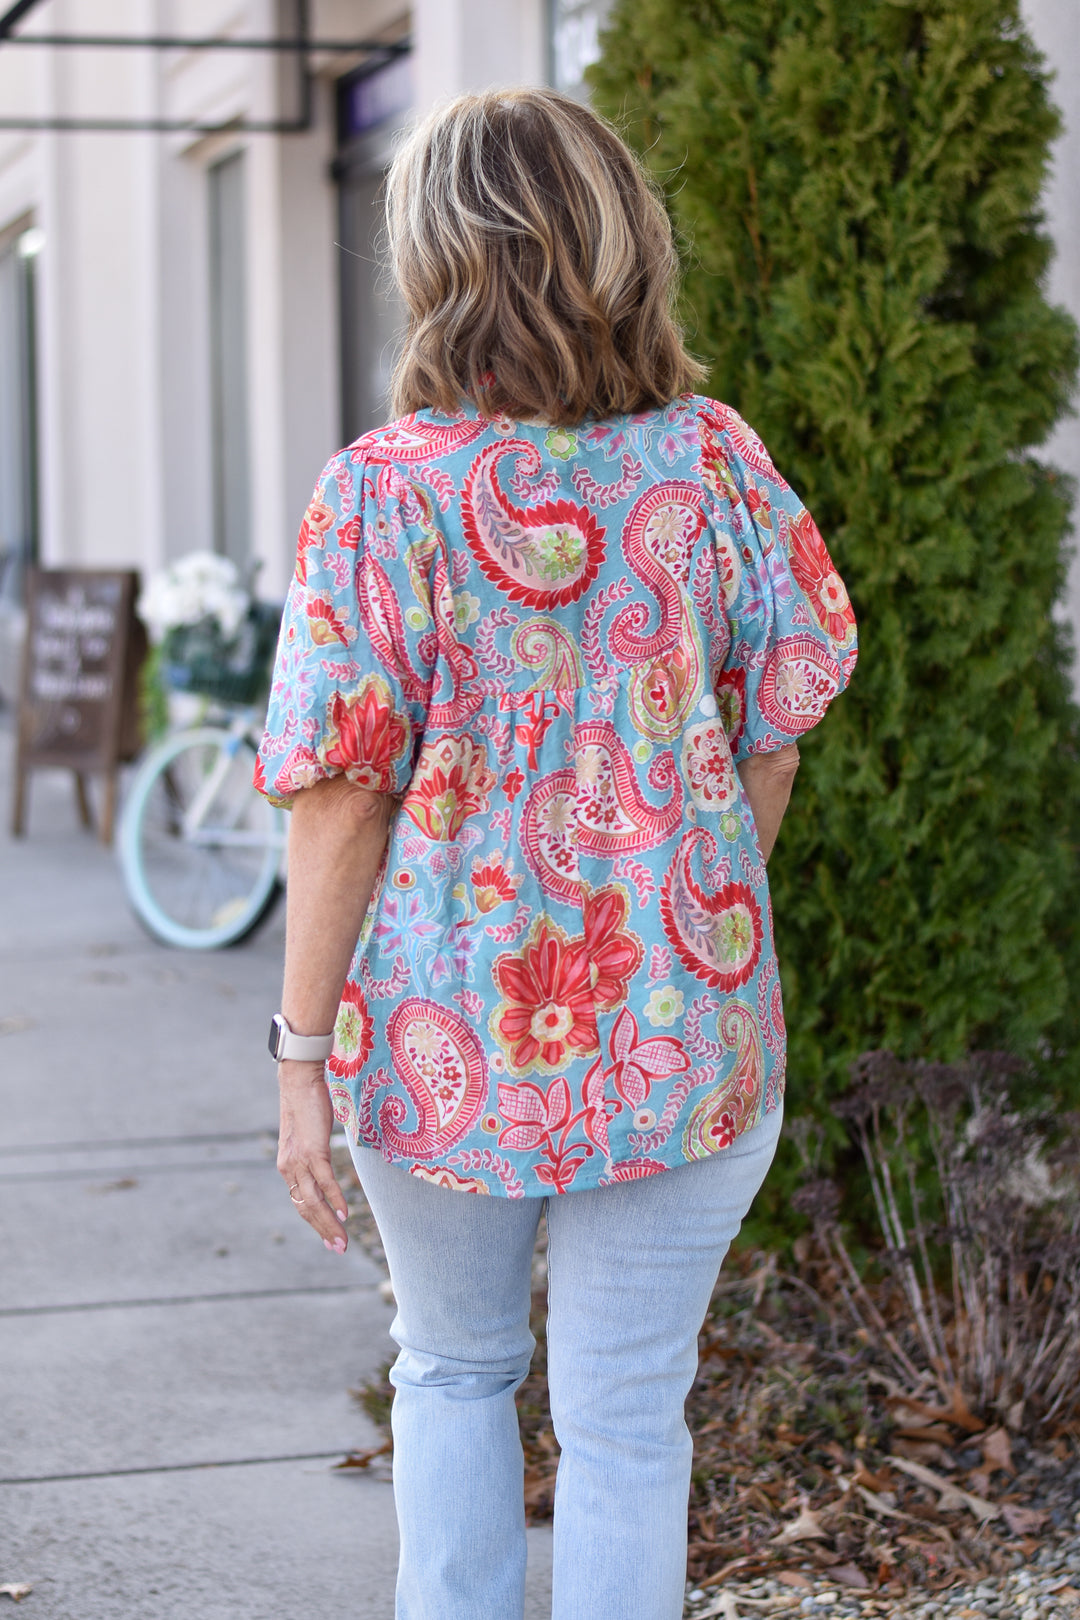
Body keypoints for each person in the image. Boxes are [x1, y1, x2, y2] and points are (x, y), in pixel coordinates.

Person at [255, 87, 857, 1620]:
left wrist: (299, 1052)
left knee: (454, 1370)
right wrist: (691, 915)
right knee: (627, 1427)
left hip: (446, 1017)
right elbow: (776, 729)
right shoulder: (715, 466)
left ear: (438, 259)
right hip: (689, 1024)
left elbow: (342, 800)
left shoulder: (385, 493)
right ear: (621, 242)